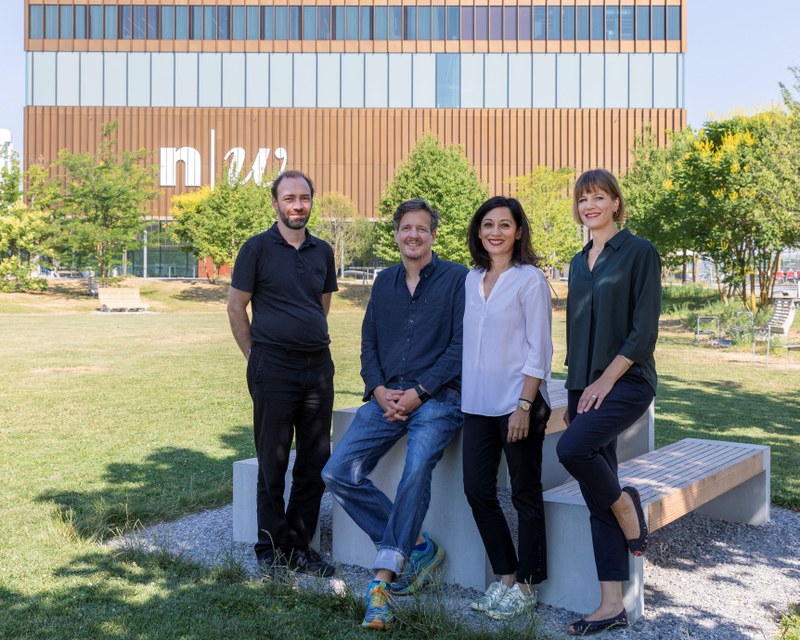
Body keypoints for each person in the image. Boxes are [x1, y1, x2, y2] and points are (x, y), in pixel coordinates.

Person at [322, 198, 467, 630]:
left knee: (416, 467)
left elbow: (461, 347)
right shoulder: (383, 281)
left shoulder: (458, 279)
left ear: (433, 236)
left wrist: (420, 392)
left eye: (422, 229)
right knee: (336, 472)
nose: (413, 235)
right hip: (386, 398)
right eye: (407, 228)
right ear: (397, 234)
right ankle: (418, 546)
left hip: (439, 399)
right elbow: (368, 342)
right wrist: (379, 389)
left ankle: (382, 581)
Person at [556, 169, 661, 636]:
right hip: (585, 386)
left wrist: (602, 383)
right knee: (596, 489)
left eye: (599, 197)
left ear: (616, 203)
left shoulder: (640, 252)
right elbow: (576, 331)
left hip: (628, 382)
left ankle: (626, 503)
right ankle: (610, 604)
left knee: (571, 450)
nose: (590, 206)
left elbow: (644, 331)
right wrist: (575, 389)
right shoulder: (580, 261)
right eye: (583, 199)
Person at [227, 170, 337, 578]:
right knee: (273, 460)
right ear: (275, 202)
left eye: (304, 197)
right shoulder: (255, 248)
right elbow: (236, 307)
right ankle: (270, 547)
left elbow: (320, 306)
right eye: (289, 198)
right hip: (272, 366)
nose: (297, 205)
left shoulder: (322, 251)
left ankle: (300, 545)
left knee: (315, 461)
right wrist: (254, 354)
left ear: (311, 200)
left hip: (318, 367)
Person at [461, 196, 553, 620]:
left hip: (518, 404)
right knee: (477, 491)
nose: (495, 232)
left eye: (504, 225)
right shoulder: (471, 279)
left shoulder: (529, 279)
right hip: (477, 404)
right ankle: (506, 578)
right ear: (479, 232)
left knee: (524, 494)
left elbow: (541, 347)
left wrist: (523, 404)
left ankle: (529, 586)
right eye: (487, 224)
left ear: (518, 232)